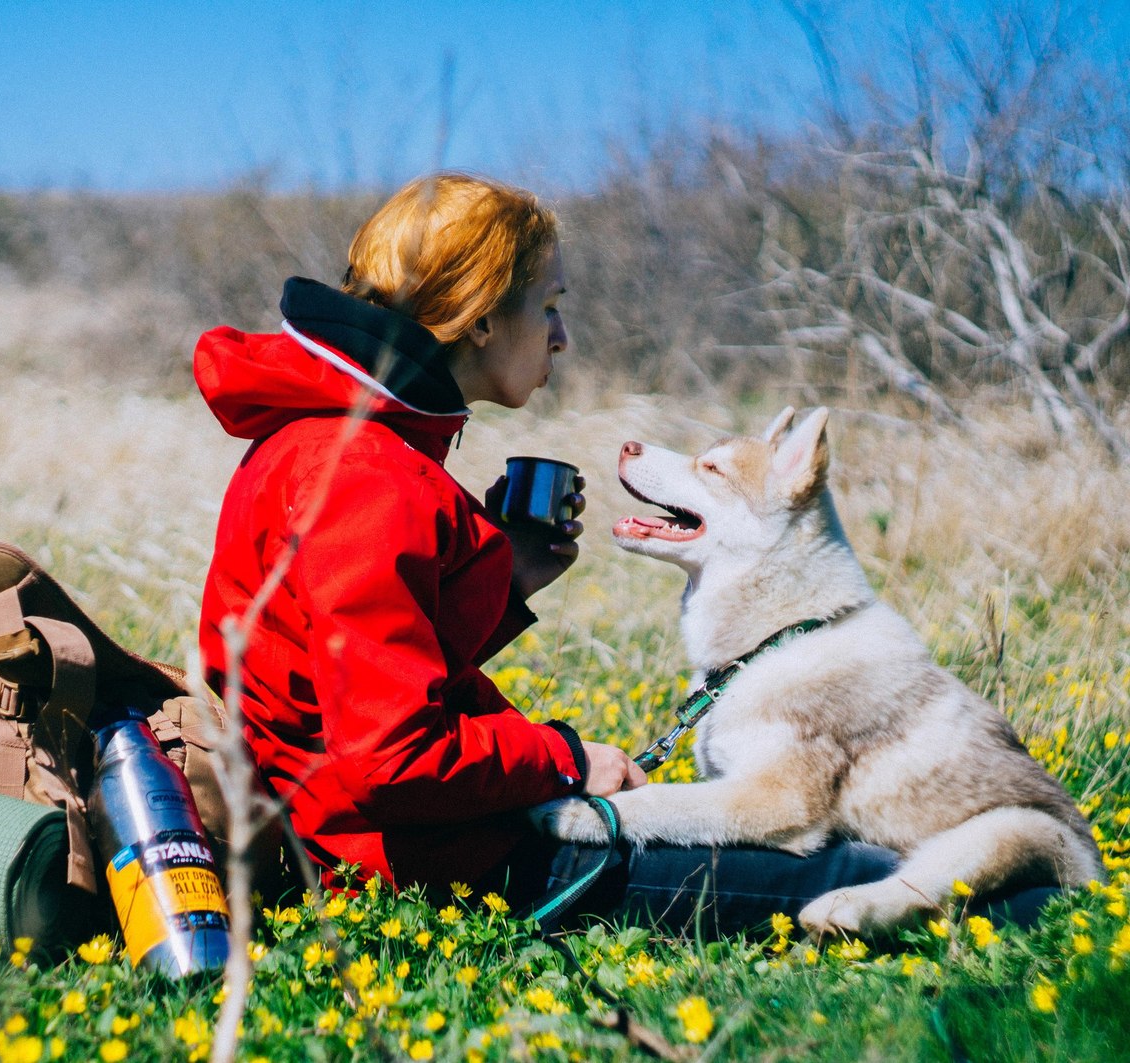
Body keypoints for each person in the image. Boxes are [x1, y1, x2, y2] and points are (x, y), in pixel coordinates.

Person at [192, 172, 1043, 934]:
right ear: (484, 318)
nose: (561, 336)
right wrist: (565, 760)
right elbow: (389, 757)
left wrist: (506, 580)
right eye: (550, 304)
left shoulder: (346, 444)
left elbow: (335, 675)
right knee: (876, 879)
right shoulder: (366, 476)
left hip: (368, 829)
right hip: (408, 859)